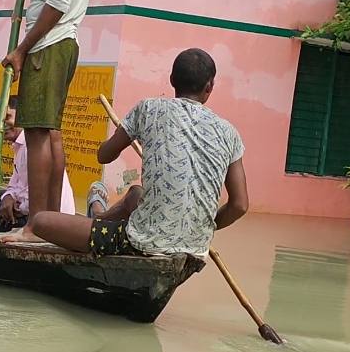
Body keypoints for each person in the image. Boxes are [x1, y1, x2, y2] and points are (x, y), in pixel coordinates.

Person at [25, 48, 250, 259]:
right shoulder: (229, 132)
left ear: (171, 80)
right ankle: (99, 218)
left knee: (41, 221)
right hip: (197, 246)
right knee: (135, 193)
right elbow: (240, 205)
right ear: (210, 86)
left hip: (141, 241)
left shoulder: (149, 108)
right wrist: (203, 227)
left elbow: (104, 156)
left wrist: (127, 133)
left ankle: (96, 218)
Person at [0, 0, 97, 244]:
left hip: (49, 44)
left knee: (37, 134)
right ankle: (51, 223)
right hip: (64, 42)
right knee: (51, 134)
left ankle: (35, 227)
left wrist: (22, 49)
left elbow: (58, 2)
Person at [0, 95, 76, 232]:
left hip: (39, 218)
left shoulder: (34, 145)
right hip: (28, 208)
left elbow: (37, 196)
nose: (2, 124)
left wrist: (14, 208)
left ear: (22, 115)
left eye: (7, 117)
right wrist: (8, 197)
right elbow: (15, 184)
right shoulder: (19, 145)